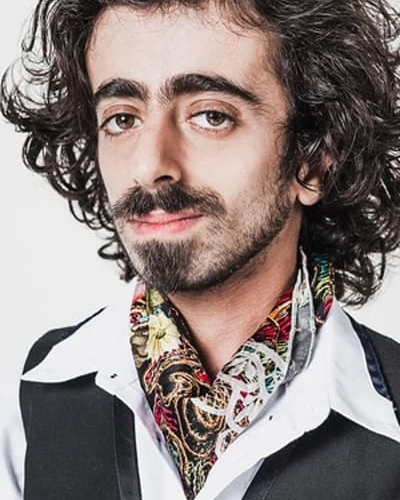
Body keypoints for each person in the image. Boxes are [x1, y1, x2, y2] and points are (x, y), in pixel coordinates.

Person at [1, 0, 400, 499]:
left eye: (211, 116)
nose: (149, 166)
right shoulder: (29, 401)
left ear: (313, 161)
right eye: (122, 119)